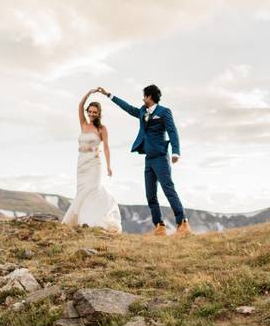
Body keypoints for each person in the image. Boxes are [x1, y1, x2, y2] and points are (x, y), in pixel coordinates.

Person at [98, 84, 190, 236]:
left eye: (144, 96)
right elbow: (127, 107)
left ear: (149, 96)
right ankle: (159, 226)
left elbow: (173, 131)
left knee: (168, 189)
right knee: (150, 194)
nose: (142, 98)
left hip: (161, 157)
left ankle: (183, 223)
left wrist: (176, 152)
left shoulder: (164, 112)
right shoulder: (142, 111)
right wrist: (109, 95)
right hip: (149, 159)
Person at [61, 89, 123, 233]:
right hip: (81, 163)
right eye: (90, 111)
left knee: (91, 191)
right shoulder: (83, 124)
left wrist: (109, 166)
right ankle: (81, 219)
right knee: (81, 191)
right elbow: (79, 106)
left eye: (95, 112)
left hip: (94, 165)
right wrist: (90, 93)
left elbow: (106, 148)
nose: (92, 114)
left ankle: (90, 220)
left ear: (99, 113)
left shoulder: (102, 129)